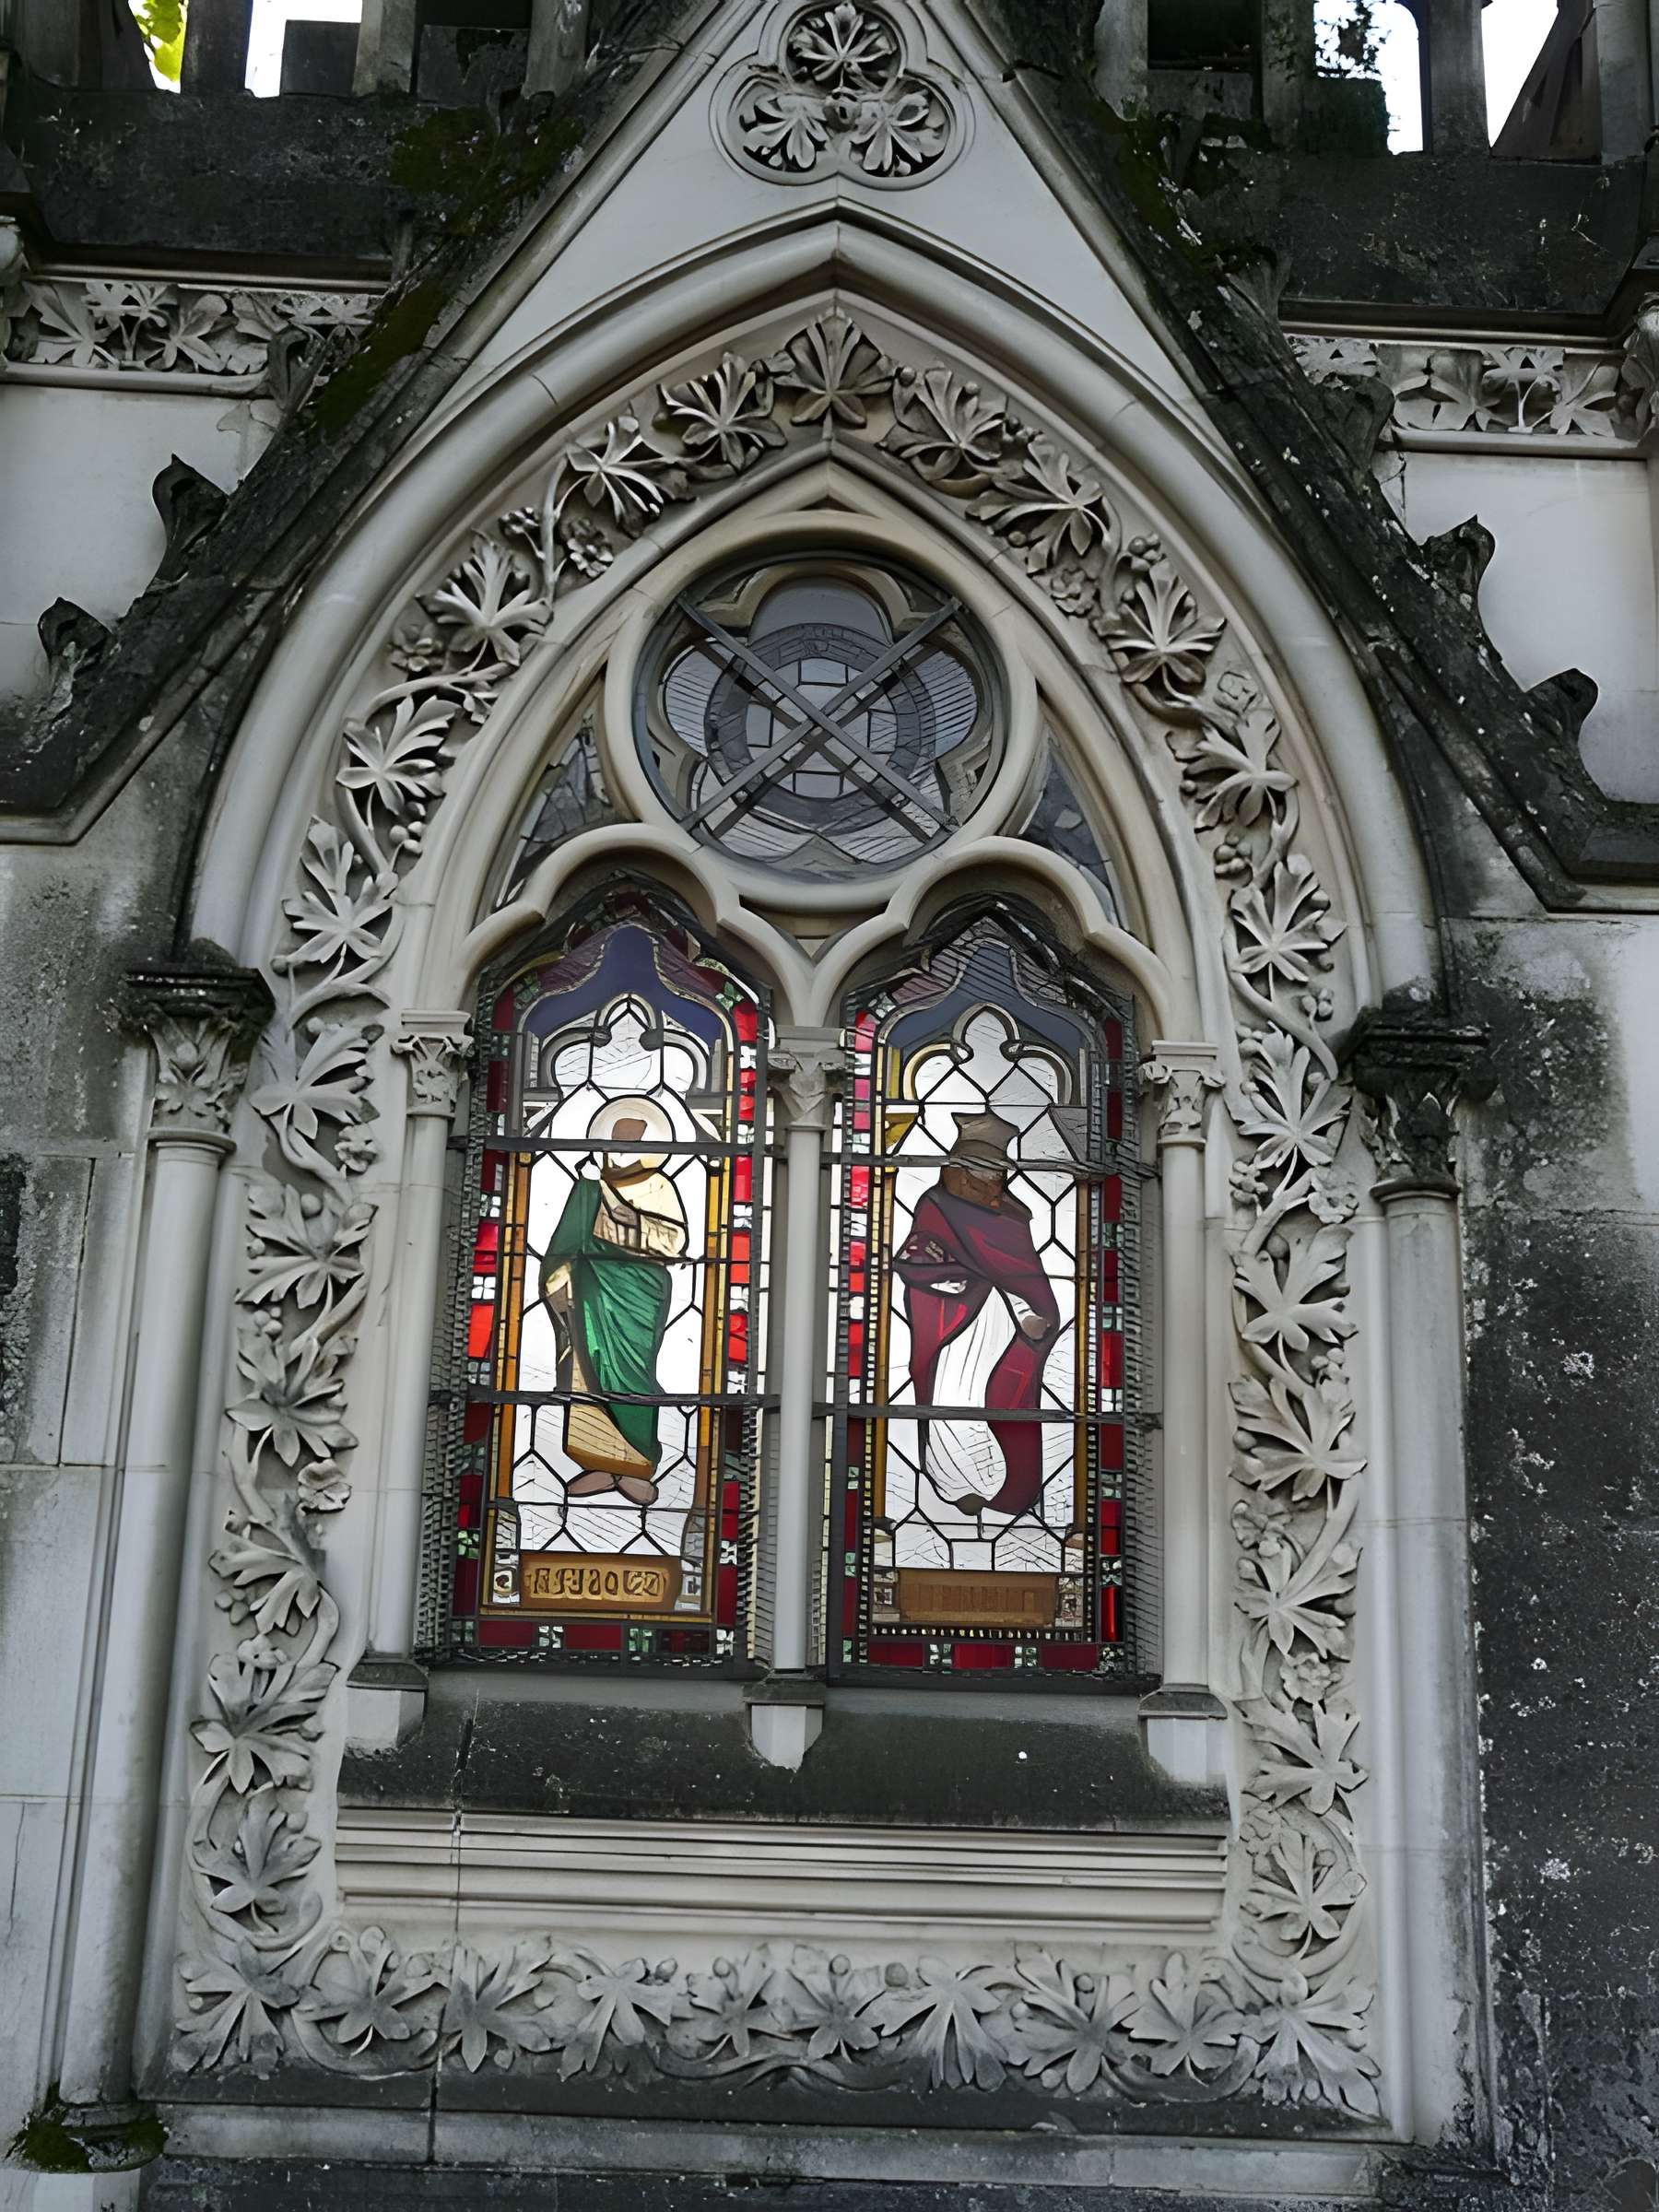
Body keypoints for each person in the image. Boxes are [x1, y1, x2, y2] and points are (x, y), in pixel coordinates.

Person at [892, 1111, 1060, 1519]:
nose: (991, 1182)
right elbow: (916, 1254)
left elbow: (1026, 1275)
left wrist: (1029, 1309)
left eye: (997, 1174)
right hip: (951, 1325)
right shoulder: (934, 1204)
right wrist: (940, 1273)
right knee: (950, 1395)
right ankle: (955, 1484)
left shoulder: (1013, 1217)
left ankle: (1004, 1488)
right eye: (983, 1173)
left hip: (1002, 1327)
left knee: (994, 1396)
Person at [539, 1097, 688, 1506]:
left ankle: (637, 1464)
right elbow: (561, 1246)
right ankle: (601, 1463)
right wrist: (561, 1280)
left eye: (632, 1139)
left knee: (634, 1374)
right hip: (588, 1290)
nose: (622, 1148)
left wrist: (630, 1221)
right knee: (587, 1371)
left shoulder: (658, 1185)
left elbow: (675, 1242)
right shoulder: (588, 1189)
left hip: (639, 1292)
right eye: (617, 1139)